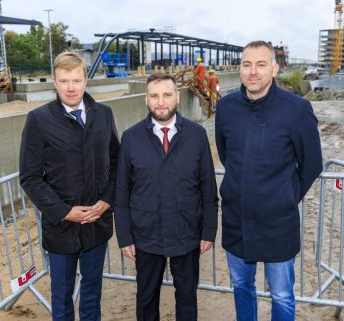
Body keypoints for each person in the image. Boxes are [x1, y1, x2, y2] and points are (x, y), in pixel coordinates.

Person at [215, 41, 323, 321]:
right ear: (239, 68)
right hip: (236, 219)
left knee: (282, 295)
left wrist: (285, 196)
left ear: (274, 69)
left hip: (278, 223)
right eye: (247, 64)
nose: (253, 72)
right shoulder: (226, 108)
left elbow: (312, 164)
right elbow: (227, 155)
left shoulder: (297, 109)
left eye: (261, 64)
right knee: (241, 286)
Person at [19, 51, 119, 321]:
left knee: (91, 292)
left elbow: (116, 162)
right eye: (64, 81)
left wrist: (107, 201)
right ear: (54, 81)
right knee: (61, 296)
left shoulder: (104, 115)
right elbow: (29, 176)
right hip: (61, 228)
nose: (71, 87)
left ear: (86, 80)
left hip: (96, 224)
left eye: (76, 80)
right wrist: (63, 211)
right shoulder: (38, 120)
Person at [114, 73, 218, 321]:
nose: (161, 102)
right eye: (154, 96)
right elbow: (121, 191)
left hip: (187, 231)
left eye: (167, 95)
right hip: (145, 234)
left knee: (187, 298)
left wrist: (208, 231)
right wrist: (125, 236)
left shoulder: (196, 135)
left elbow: (208, 188)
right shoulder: (131, 138)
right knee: (146, 298)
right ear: (146, 100)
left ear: (178, 97)